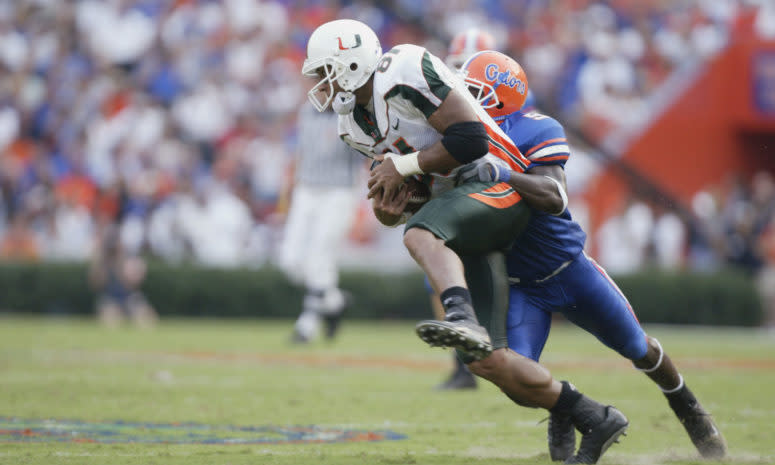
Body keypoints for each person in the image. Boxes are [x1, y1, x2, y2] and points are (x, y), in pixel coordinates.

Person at [303, 19, 627, 464]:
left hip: (499, 185)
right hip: (463, 207)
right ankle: (591, 414)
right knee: (487, 362)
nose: (321, 83)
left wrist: (406, 169)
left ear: (353, 63)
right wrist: (388, 206)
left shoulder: (404, 69)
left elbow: (471, 139)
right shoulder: (351, 126)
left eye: (326, 71)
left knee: (421, 236)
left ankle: (460, 313)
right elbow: (407, 197)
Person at [459, 50, 727, 461]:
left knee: (640, 348)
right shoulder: (460, 139)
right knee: (512, 376)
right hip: (519, 286)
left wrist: (505, 174)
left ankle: (687, 406)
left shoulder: (534, 129)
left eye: (473, 91)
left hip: (569, 271)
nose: (463, 98)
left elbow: (554, 195)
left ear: (501, 97)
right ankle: (568, 408)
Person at [278, 103, 363, 343]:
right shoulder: (306, 110)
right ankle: (335, 301)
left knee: (320, 256)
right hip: (306, 188)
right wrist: (289, 186)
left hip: (339, 191)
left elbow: (364, 152)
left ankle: (307, 325)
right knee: (291, 260)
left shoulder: (350, 113)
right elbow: (301, 152)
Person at [88, 225, 157, 328]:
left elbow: (134, 283)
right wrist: (99, 261)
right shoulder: (102, 262)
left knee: (147, 321)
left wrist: (121, 264)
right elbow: (95, 284)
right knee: (111, 322)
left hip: (130, 298)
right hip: (110, 299)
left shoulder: (128, 258)